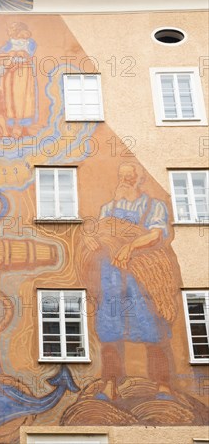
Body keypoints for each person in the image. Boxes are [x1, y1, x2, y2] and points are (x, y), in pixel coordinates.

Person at [80, 162, 180, 399]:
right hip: (111, 275)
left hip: (143, 272)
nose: (125, 180)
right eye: (122, 176)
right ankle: (110, 383)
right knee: (109, 326)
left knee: (151, 325)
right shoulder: (108, 208)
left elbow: (156, 234)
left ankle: (163, 384)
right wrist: (91, 241)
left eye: (130, 177)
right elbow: (101, 232)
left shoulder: (153, 206)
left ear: (139, 180)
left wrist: (130, 246)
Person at [0, 22, 37, 136]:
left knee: (21, 97)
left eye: (11, 28)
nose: (9, 31)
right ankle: (9, 123)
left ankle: (19, 124)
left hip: (23, 71)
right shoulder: (8, 43)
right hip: (9, 71)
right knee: (9, 96)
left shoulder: (30, 42)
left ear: (18, 30)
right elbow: (0, 55)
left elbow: (29, 57)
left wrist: (18, 62)